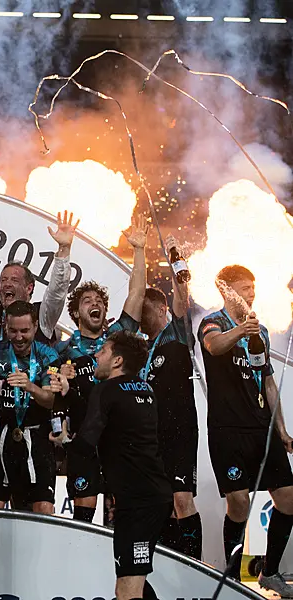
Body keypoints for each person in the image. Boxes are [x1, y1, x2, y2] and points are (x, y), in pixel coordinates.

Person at [197, 265, 293, 595]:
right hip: (227, 428)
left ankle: (269, 572)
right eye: (244, 289)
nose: (251, 295)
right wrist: (243, 330)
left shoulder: (261, 332)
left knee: (289, 499)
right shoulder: (214, 323)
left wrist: (281, 429)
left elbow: (266, 380)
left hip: (261, 429)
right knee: (238, 502)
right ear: (227, 292)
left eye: (253, 288)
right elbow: (214, 347)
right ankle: (234, 576)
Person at [58, 330, 173, 600]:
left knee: (127, 588)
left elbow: (86, 444)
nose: (96, 355)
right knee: (135, 581)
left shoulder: (106, 389)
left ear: (118, 361)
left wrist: (64, 440)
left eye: (104, 351)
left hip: (138, 504)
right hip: (153, 497)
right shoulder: (146, 389)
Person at [53, 215, 148, 523]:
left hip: (119, 439)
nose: (95, 304)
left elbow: (137, 294)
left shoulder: (117, 337)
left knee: (119, 514)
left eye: (99, 301)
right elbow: (55, 395)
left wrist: (139, 250)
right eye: (87, 301)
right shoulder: (65, 351)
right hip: (83, 440)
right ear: (76, 311)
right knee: (83, 511)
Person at [0, 301, 65, 513]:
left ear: (35, 327)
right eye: (13, 331)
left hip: (36, 438)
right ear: (5, 327)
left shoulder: (49, 356)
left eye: (24, 331)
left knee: (43, 506)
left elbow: (49, 399)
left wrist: (29, 386)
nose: (19, 337)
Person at [139, 239, 201, 560]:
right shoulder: (142, 347)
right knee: (161, 503)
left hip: (180, 431)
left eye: (144, 311)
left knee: (181, 500)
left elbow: (181, 295)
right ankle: (171, 564)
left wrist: (177, 260)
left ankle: (194, 565)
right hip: (154, 436)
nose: (140, 318)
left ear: (161, 309)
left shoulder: (176, 331)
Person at [0, 211, 78, 345]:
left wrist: (64, 248)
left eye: (14, 280)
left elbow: (57, 291)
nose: (7, 284)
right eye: (3, 280)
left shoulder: (42, 316)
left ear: (29, 288)